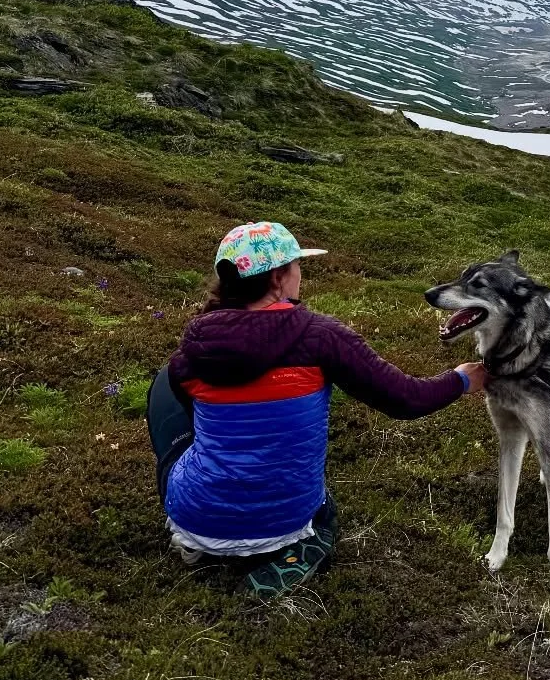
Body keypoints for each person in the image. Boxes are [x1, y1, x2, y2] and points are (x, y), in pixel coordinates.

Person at [145, 221, 486, 596]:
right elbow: (406, 399)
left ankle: (197, 541)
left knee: (166, 389)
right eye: (296, 266)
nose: (300, 275)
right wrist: (462, 379)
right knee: (324, 509)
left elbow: (189, 411)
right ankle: (305, 548)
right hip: (285, 522)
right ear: (278, 277)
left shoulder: (195, 346)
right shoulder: (320, 336)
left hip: (196, 518)